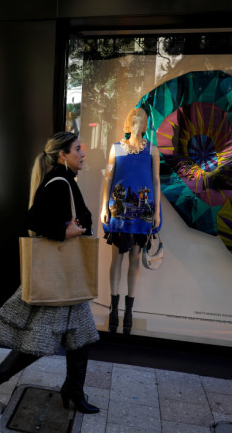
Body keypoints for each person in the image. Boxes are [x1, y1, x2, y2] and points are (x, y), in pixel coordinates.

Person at [0, 132, 100, 414]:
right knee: (37, 344)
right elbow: (32, 219)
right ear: (62, 155)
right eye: (78, 149)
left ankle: (74, 391)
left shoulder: (64, 180)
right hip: (59, 278)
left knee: (80, 338)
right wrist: (64, 232)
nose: (84, 153)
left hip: (68, 280)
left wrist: (72, 228)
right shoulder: (59, 182)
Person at [100, 108, 161, 335]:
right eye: (134, 119)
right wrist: (103, 206)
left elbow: (156, 181)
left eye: (141, 119)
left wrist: (156, 212)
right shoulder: (116, 149)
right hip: (118, 210)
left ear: (145, 124)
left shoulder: (152, 150)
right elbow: (108, 178)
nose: (137, 123)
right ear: (128, 123)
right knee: (117, 258)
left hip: (143, 210)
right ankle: (114, 307)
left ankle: (129, 310)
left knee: (135, 259)